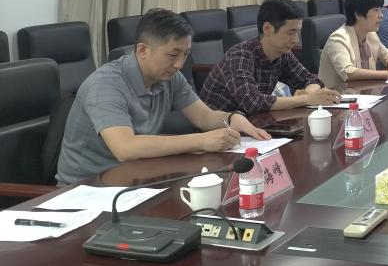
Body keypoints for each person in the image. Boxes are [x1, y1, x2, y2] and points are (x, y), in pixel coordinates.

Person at [56, 9, 271, 185]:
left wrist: (233, 118)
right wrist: (201, 141)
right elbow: (125, 147)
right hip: (86, 190)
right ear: (142, 50)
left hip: (137, 177)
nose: (179, 64)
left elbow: (204, 117)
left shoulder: (170, 77)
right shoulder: (106, 84)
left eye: (185, 54)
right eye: (173, 55)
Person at [201, 0, 341, 115]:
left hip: (252, 124)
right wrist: (307, 99)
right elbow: (252, 102)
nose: (296, 40)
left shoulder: (283, 54)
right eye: (291, 32)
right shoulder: (240, 56)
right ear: (268, 29)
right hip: (217, 131)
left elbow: (310, 79)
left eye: (298, 32)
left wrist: (309, 93)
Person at [319, 0, 388, 89]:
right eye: (376, 10)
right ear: (358, 14)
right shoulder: (338, 39)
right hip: (337, 95)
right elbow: (348, 72)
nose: (381, 15)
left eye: (380, 10)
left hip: (364, 92)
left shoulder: (371, 35)